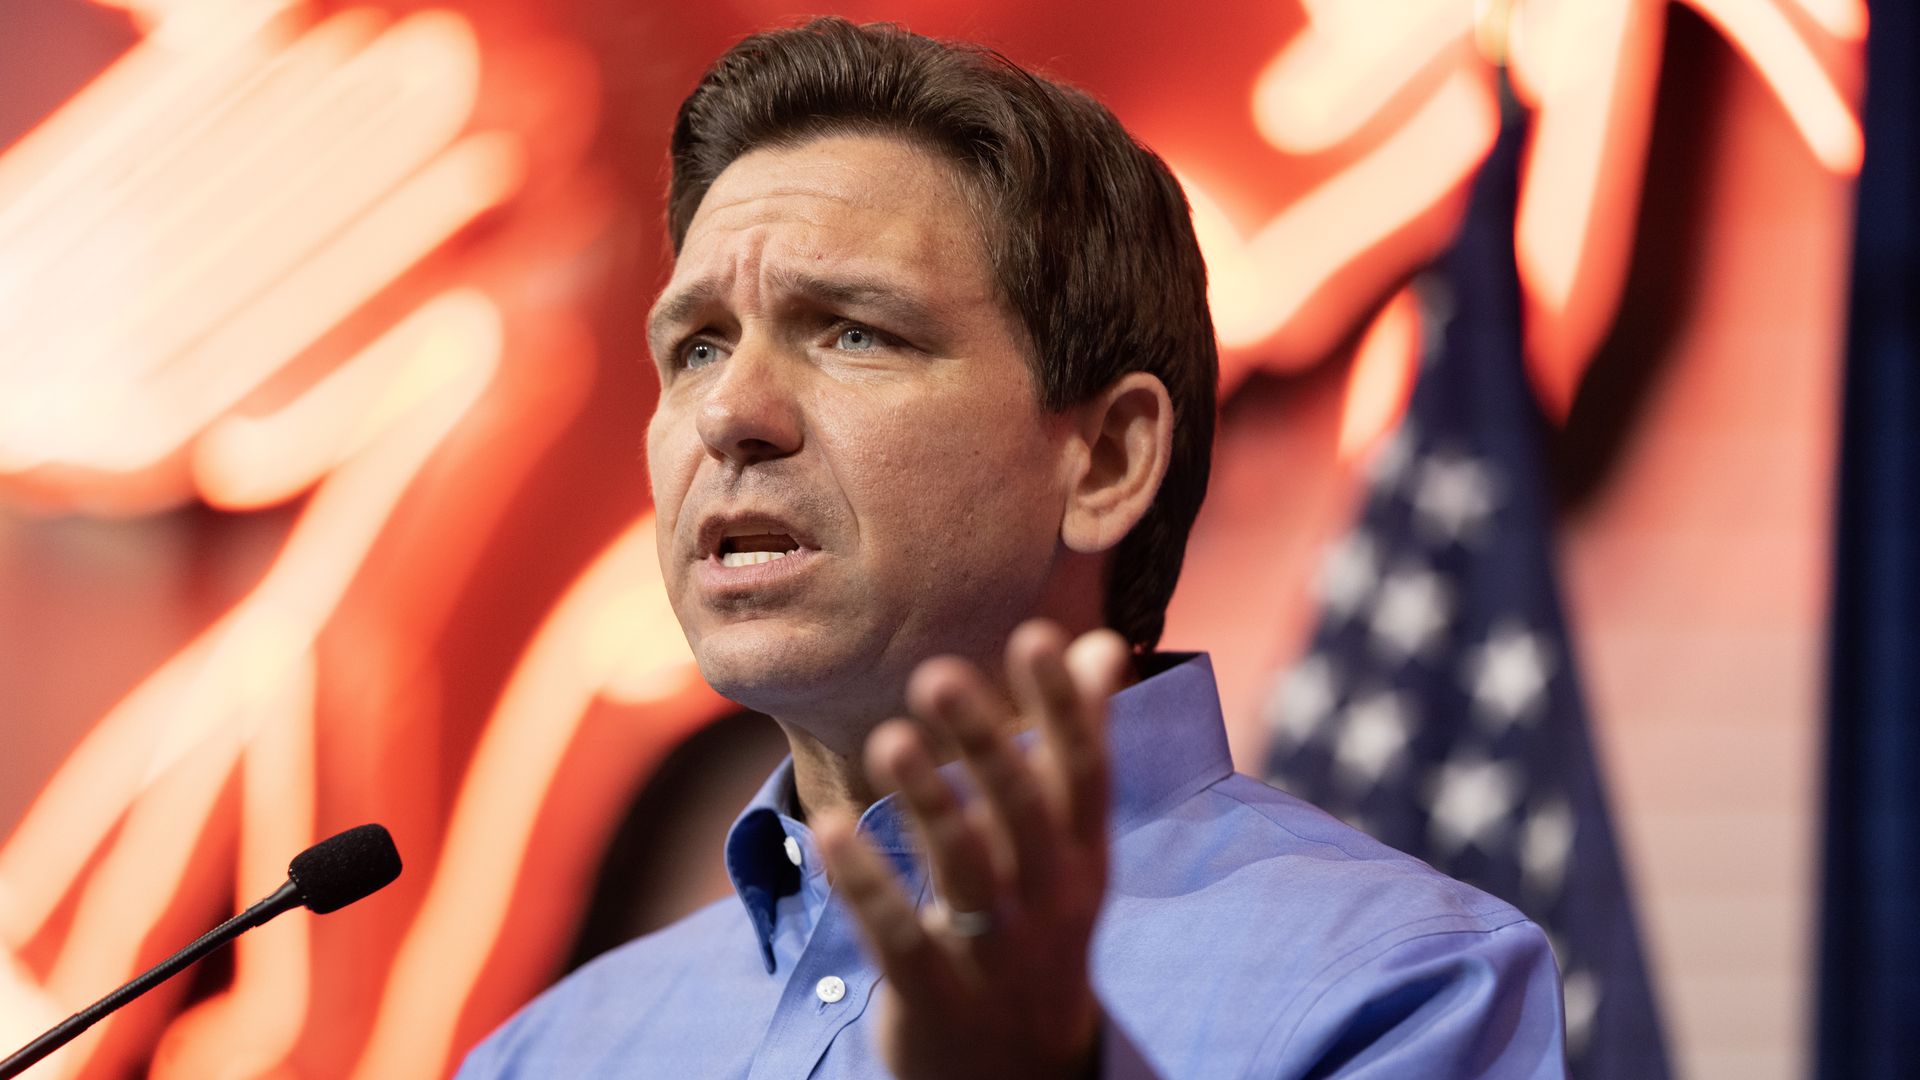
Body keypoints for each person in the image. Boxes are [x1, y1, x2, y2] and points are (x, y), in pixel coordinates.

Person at [459, 17, 1565, 1079]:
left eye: (855, 331)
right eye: (698, 347)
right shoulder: (542, 1056)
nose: (728, 414)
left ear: (1106, 461)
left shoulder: (1404, 987)